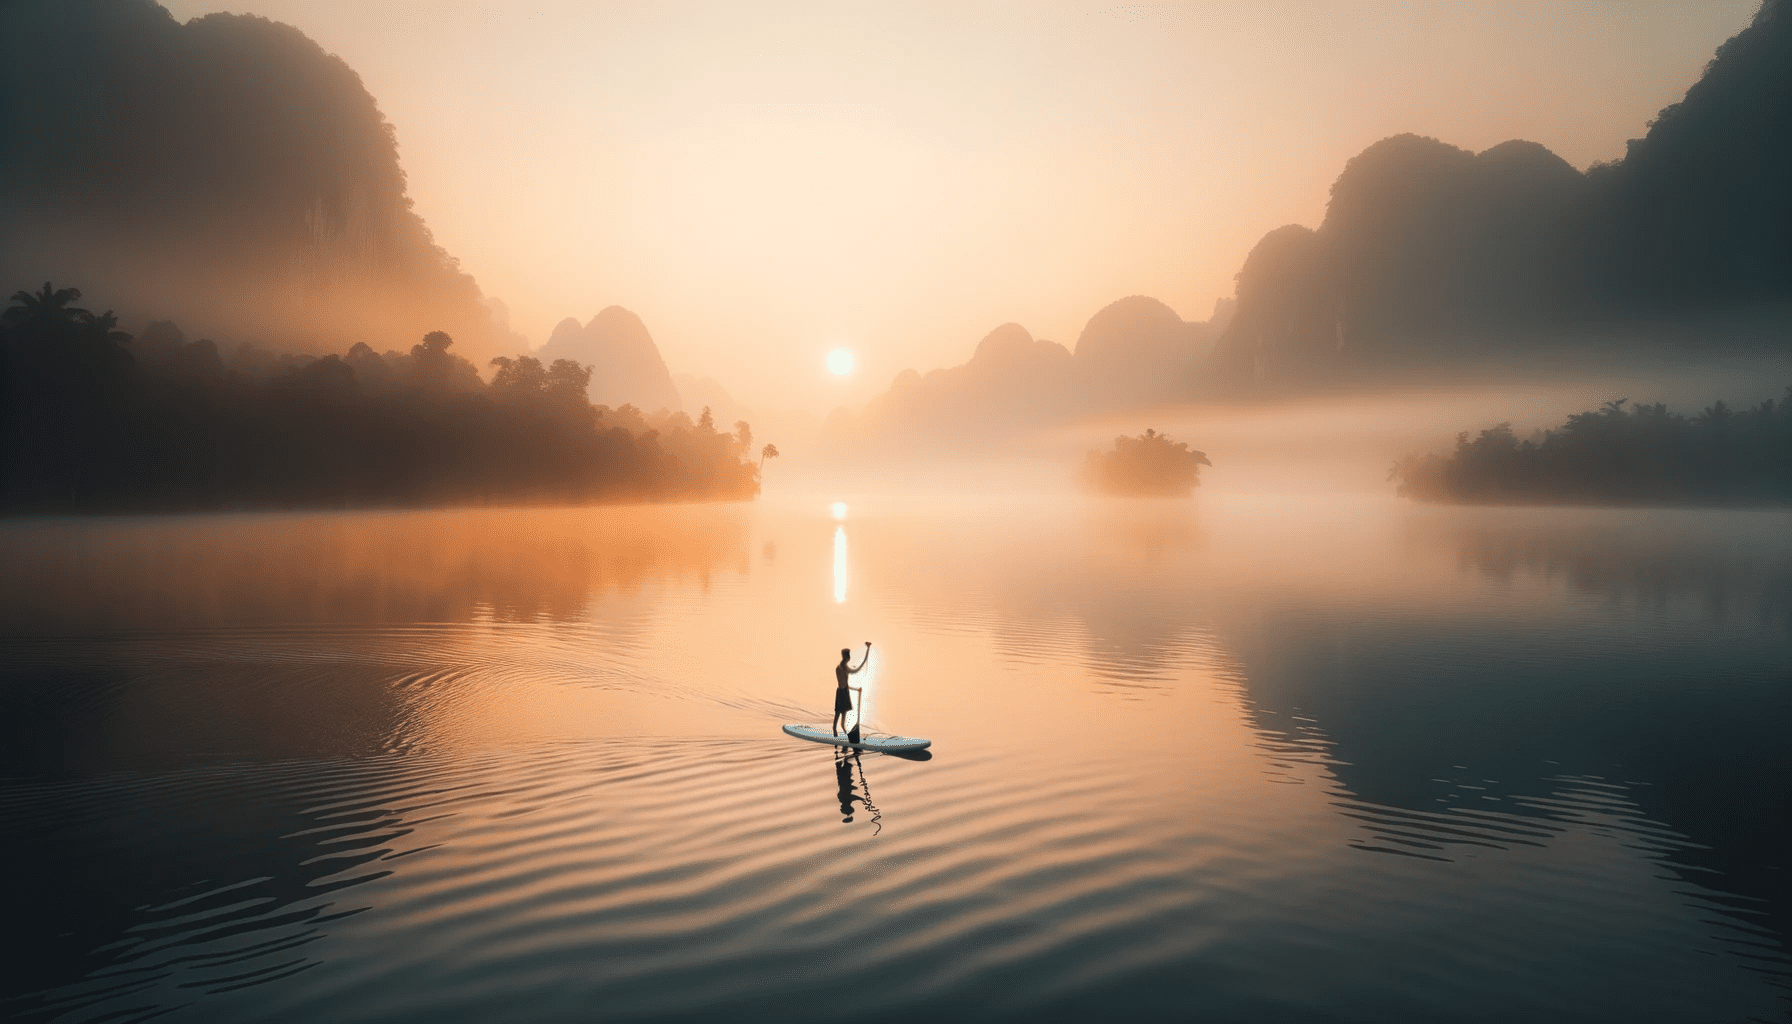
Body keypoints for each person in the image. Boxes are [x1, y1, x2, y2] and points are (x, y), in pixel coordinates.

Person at [833, 642, 870, 737]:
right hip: (841, 692)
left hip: (845, 691)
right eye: (848, 656)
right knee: (838, 712)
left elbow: (846, 682)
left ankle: (843, 729)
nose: (849, 658)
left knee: (844, 713)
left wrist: (856, 689)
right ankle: (834, 729)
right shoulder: (840, 668)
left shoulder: (844, 668)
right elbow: (842, 683)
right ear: (845, 657)